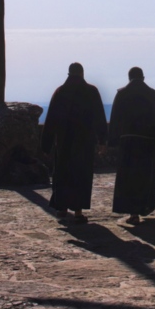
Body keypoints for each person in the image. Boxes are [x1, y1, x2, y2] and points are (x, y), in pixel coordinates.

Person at [40, 62, 107, 223]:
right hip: (84, 142)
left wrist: (46, 144)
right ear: (82, 73)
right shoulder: (91, 91)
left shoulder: (60, 92)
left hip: (64, 142)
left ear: (69, 74)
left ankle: (62, 208)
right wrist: (103, 140)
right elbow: (99, 117)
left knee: (63, 174)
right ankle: (78, 211)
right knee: (81, 175)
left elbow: (51, 120)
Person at [109, 66, 155, 225]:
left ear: (129, 78)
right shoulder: (152, 94)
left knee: (129, 177)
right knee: (144, 177)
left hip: (127, 142)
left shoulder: (122, 94)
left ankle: (133, 212)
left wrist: (112, 142)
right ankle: (144, 206)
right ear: (143, 77)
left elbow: (114, 120)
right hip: (147, 142)